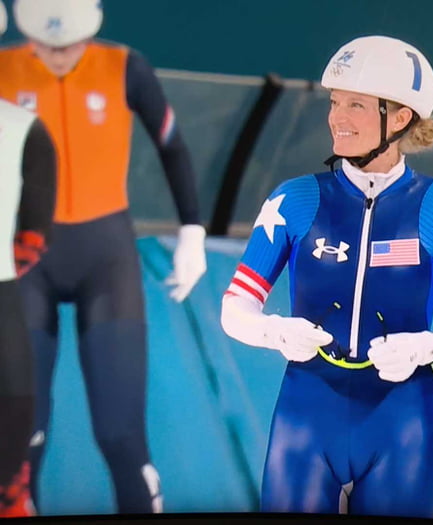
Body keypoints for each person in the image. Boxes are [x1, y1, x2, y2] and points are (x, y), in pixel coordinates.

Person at [221, 35, 433, 518]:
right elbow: (233, 309)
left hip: (404, 420)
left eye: (355, 104)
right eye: (334, 102)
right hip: (307, 414)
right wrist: (272, 330)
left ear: (400, 117)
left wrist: (427, 347)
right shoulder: (294, 201)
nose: (337, 117)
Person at [0, 0, 207, 514]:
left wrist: (194, 233)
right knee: (23, 440)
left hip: (105, 259)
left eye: (68, 46)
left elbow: (173, 147)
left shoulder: (124, 67)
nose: (58, 57)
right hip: (25, 263)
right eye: (46, 47)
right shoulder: (3, 68)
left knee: (122, 437)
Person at [0, 1, 57, 517]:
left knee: (14, 414)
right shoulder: (24, 128)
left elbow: (34, 234)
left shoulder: (23, 129)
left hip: (2, 300)